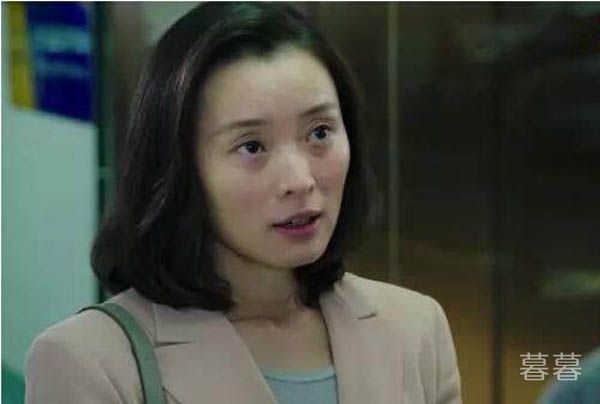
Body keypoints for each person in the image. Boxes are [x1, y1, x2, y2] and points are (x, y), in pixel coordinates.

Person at [25, 3, 462, 403]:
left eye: (319, 133)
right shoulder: (88, 362)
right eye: (252, 146)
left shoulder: (416, 329)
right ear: (179, 168)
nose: (300, 180)